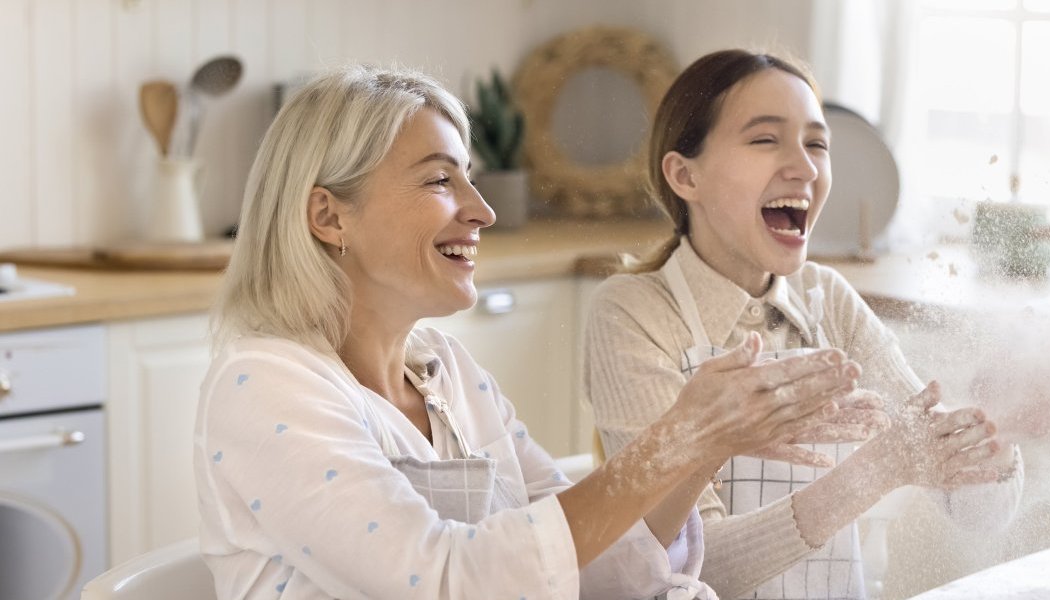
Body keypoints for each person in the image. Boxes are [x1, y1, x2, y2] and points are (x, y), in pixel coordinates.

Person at [192, 64, 876, 600]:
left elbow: (596, 571)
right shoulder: (265, 387)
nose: (482, 210)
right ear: (329, 217)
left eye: (472, 178)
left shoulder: (448, 374)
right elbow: (446, 583)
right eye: (439, 181)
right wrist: (675, 440)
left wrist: (702, 450)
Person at [584, 49, 1050, 599]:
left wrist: (996, 426)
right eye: (766, 139)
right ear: (684, 175)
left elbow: (976, 512)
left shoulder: (827, 300)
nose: (805, 167)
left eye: (816, 144)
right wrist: (876, 470)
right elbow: (690, 569)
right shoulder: (634, 313)